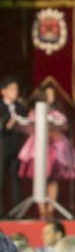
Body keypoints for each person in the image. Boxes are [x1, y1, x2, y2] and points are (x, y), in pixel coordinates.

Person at [17, 83, 75, 218]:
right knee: (39, 177)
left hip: (54, 148)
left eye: (52, 94)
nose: (51, 97)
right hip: (39, 147)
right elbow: (29, 126)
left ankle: (50, 208)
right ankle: (41, 209)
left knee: (53, 179)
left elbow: (63, 125)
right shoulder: (34, 112)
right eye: (48, 94)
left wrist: (56, 129)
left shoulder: (56, 112)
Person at [0, 77, 28, 213]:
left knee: (15, 178)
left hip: (17, 146)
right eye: (12, 89)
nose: (15, 92)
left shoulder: (21, 107)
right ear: (3, 91)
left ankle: (16, 210)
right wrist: (5, 124)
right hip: (2, 144)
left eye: (16, 89)